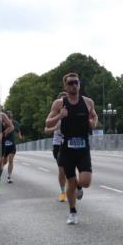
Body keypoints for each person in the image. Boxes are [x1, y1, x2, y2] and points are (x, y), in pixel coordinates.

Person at [44, 72, 98, 225]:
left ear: (79, 84)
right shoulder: (59, 104)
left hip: (83, 147)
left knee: (85, 182)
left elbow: (94, 116)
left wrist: (92, 122)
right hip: (66, 148)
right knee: (71, 181)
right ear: (65, 86)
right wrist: (59, 116)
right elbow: (48, 123)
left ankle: (80, 186)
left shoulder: (88, 102)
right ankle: (72, 212)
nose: (74, 85)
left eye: (76, 82)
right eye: (71, 83)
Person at [43, 92, 69, 202]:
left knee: (70, 169)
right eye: (61, 101)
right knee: (62, 169)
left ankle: (73, 187)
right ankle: (63, 192)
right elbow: (45, 129)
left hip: (69, 143)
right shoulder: (54, 115)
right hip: (58, 144)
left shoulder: (71, 113)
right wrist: (54, 128)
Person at [1, 109, 22, 183]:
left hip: (12, 144)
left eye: (10, 114)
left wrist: (19, 135)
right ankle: (0, 171)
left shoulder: (15, 123)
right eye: (8, 115)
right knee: (4, 161)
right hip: (4, 144)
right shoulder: (3, 123)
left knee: (11, 160)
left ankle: (9, 176)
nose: (9, 116)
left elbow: (18, 130)